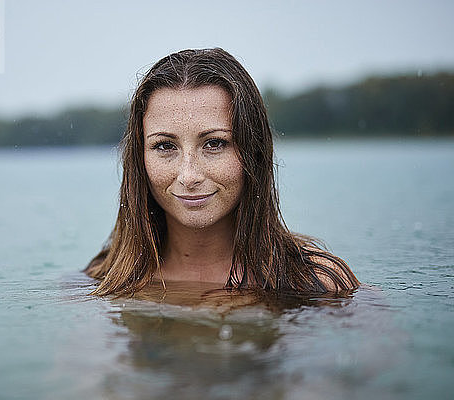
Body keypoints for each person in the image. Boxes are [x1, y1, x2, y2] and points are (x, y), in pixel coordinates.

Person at [84, 48, 359, 296]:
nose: (189, 175)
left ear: (254, 152)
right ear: (139, 159)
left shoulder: (317, 284)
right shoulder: (103, 279)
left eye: (214, 143)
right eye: (165, 146)